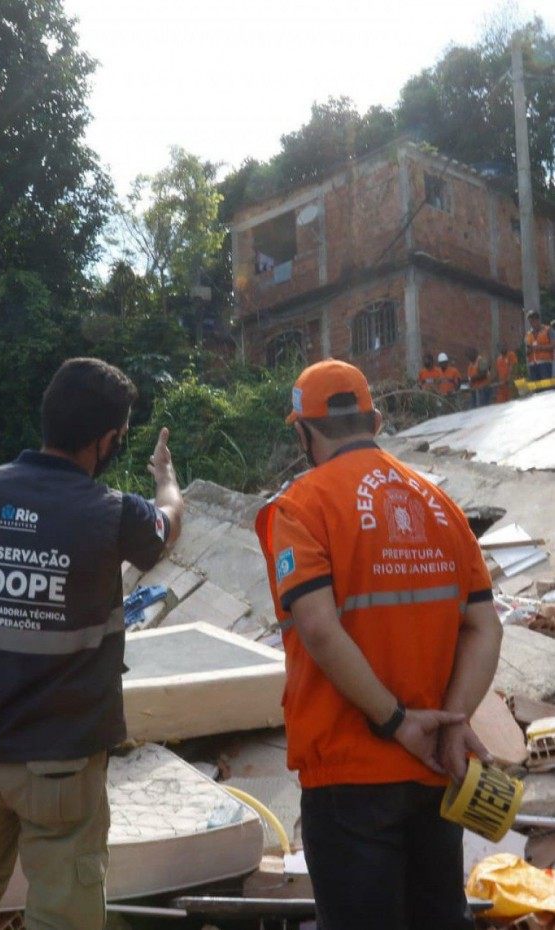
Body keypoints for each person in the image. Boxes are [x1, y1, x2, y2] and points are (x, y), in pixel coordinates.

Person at [0, 357, 184, 930]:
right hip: (63, 771)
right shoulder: (115, 514)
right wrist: (165, 478)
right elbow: (169, 521)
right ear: (108, 439)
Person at [255, 359, 502, 930]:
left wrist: (396, 722)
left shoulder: (300, 508)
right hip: (436, 768)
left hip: (350, 773)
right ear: (377, 419)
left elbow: (318, 627)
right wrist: (453, 721)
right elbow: (486, 625)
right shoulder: (439, 505)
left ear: (303, 431)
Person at [524, 310, 553, 383]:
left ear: (538, 320)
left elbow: (553, 346)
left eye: (533, 322)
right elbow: (527, 350)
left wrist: (539, 347)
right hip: (532, 365)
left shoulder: (548, 330)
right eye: (530, 322)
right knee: (536, 391)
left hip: (545, 364)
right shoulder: (528, 334)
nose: (531, 324)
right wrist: (528, 351)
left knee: (546, 388)